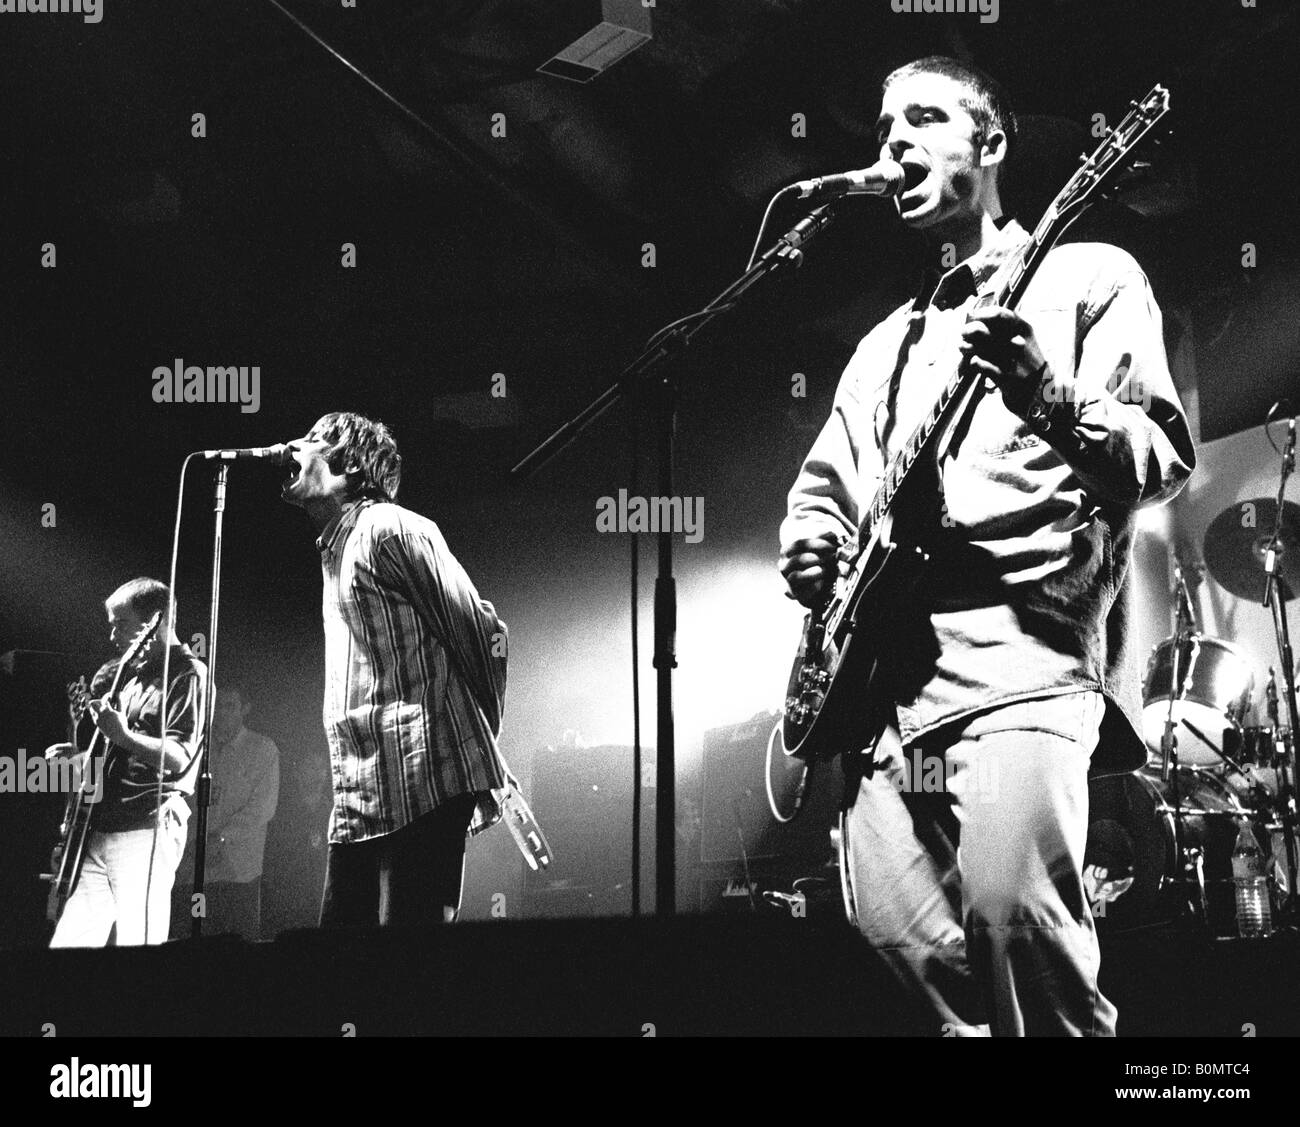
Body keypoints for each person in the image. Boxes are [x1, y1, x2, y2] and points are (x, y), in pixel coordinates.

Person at [778, 57, 1194, 1035]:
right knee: (904, 954)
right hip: (882, 687)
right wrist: (811, 546)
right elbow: (821, 493)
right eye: (885, 132)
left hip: (1023, 654)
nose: (895, 149)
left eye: (924, 120)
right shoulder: (885, 345)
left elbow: (1160, 451)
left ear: (994, 144)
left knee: (1019, 938)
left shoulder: (1089, 276)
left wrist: (1045, 395)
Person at [281, 411, 509, 927]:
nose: (294, 445)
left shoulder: (389, 528)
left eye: (313, 439)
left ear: (348, 464)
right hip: (361, 789)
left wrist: (483, 739)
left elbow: (485, 633)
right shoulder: (333, 549)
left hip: (422, 777)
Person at [46, 578, 207, 947]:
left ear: (154, 620)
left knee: (139, 946)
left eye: (120, 623)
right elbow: (119, 753)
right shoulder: (132, 678)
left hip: (146, 827)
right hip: (102, 828)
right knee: (69, 945)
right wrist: (80, 756)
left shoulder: (188, 674)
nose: (113, 635)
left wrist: (123, 735)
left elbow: (180, 758)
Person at [173, 682, 279, 939]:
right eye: (217, 705)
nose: (221, 712)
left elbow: (262, 808)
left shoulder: (262, 749)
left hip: (238, 873)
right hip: (194, 872)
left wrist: (221, 839)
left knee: (238, 951)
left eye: (229, 706)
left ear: (245, 709)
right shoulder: (196, 749)